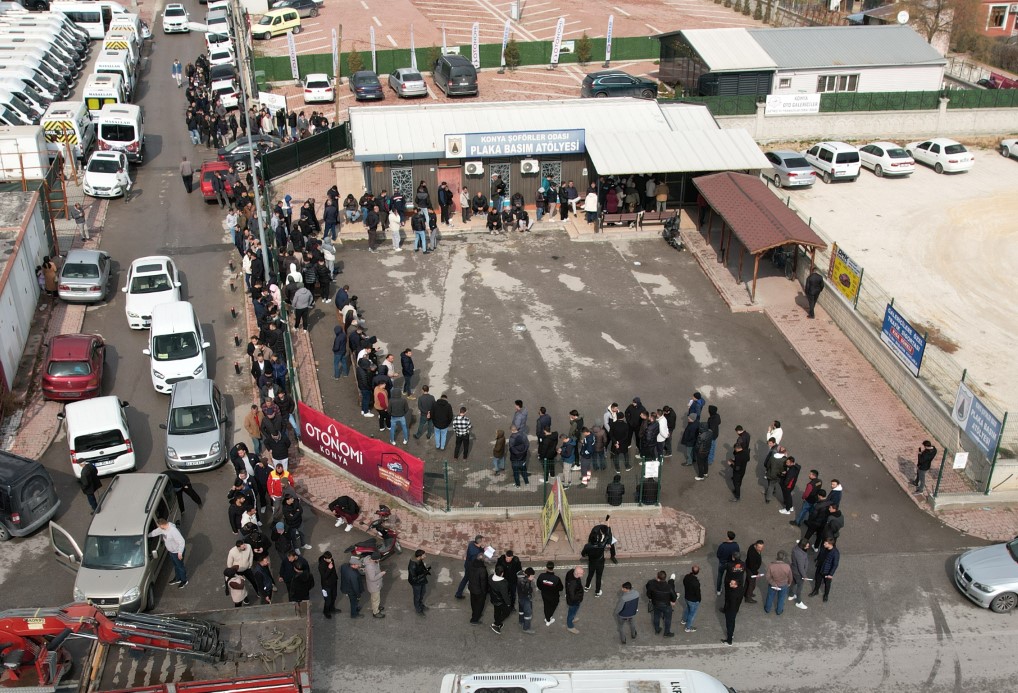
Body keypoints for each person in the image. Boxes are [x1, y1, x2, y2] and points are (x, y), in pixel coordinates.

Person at [148, 518, 188, 588]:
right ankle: (178, 578)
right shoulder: (162, 529)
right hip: (172, 552)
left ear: (162, 525)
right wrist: (146, 536)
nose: (158, 527)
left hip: (177, 552)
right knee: (176, 565)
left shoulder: (173, 531)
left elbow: (181, 541)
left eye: (159, 526)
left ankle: (184, 581)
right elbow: (155, 532)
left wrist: (180, 553)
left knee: (180, 566)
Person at [582, 522, 616, 596]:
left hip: (592, 562)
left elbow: (583, 554)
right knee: (598, 577)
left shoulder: (587, 546)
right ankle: (597, 592)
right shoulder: (601, 545)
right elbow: (606, 540)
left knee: (590, 575)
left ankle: (587, 587)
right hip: (600, 562)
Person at [645, 570, 677, 637]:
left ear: (657, 577)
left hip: (656, 604)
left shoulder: (652, 585)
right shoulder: (669, 587)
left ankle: (657, 630)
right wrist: (672, 601)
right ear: (665, 577)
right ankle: (666, 633)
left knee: (656, 616)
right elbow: (674, 597)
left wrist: (652, 598)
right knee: (667, 619)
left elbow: (648, 594)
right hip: (666, 606)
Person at [454, 535, 486, 599]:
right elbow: (479, 559)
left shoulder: (471, 543)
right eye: (483, 540)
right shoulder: (476, 553)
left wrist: (483, 549)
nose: (484, 541)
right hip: (471, 567)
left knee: (466, 578)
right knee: (466, 579)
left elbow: (478, 548)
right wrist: (483, 553)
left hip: (467, 564)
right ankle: (458, 593)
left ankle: (459, 593)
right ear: (479, 542)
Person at [763, 551, 794, 615]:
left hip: (773, 585)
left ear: (777, 556)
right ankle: (779, 611)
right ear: (784, 557)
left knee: (770, 596)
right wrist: (789, 582)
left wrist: (774, 584)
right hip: (783, 585)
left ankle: (767, 609)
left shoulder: (771, 566)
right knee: (781, 598)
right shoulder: (787, 566)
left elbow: (768, 577)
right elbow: (790, 576)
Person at [721, 569, 745, 646]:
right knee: (733, 622)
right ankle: (731, 634)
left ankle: (729, 640)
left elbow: (731, 603)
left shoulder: (732, 594)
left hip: (730, 610)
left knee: (729, 624)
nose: (730, 584)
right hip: (735, 609)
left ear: (736, 585)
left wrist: (726, 609)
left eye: (732, 584)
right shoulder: (740, 590)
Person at [537, 561, 563, 626]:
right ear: (553, 568)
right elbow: (561, 588)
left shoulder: (541, 576)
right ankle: (548, 619)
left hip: (544, 595)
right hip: (554, 596)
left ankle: (547, 618)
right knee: (552, 607)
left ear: (546, 567)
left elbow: (539, 585)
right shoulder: (556, 579)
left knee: (546, 606)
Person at [467, 553, 489, 625]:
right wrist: (484, 591)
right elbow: (483, 582)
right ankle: (474, 619)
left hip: (472, 587)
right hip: (479, 590)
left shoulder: (471, 564)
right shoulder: (482, 569)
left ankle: (475, 614)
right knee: (479, 605)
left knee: (473, 603)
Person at [489, 564, 511, 634]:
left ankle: (498, 623)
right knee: (506, 612)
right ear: (502, 573)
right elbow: (505, 595)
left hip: (494, 598)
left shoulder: (490, 577)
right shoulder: (503, 583)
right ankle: (496, 623)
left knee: (497, 610)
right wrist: (508, 603)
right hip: (501, 601)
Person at [789, 539, 811, 610]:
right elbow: (800, 567)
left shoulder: (796, 548)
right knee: (799, 588)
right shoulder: (800, 555)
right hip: (799, 574)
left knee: (793, 583)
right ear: (802, 546)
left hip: (793, 570)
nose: (808, 547)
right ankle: (799, 602)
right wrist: (804, 576)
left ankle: (791, 595)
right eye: (807, 546)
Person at [408, 549, 431, 616]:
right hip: (416, 583)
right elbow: (414, 578)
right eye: (424, 555)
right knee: (417, 596)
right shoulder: (413, 565)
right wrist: (423, 574)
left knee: (423, 592)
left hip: (421, 580)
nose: (425, 556)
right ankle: (418, 609)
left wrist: (425, 570)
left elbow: (422, 565)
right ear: (419, 556)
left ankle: (420, 604)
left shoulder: (419, 560)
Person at [365, 551, 386, 618]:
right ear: (374, 559)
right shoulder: (370, 567)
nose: (379, 560)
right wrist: (381, 574)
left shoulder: (373, 561)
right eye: (378, 559)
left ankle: (376, 607)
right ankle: (375, 612)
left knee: (375, 598)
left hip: (376, 584)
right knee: (376, 599)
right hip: (374, 586)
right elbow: (372, 578)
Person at [319, 552, 340, 618]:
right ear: (325, 559)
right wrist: (329, 569)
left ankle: (332, 608)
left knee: (334, 596)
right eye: (329, 559)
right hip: (326, 585)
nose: (330, 560)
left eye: (331, 558)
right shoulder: (321, 566)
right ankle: (326, 611)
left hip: (333, 582)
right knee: (328, 600)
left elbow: (333, 571)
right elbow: (324, 576)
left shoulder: (331, 560)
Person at [564, 566, 585, 634]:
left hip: (571, 599)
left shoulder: (571, 572)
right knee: (571, 613)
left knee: (572, 612)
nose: (583, 574)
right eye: (581, 573)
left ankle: (572, 619)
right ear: (576, 573)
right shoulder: (573, 583)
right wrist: (579, 598)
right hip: (573, 602)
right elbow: (573, 597)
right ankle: (570, 626)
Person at [681, 566, 701, 633]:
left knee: (687, 609)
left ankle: (684, 620)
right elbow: (698, 593)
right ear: (697, 572)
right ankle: (688, 627)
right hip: (693, 600)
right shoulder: (696, 582)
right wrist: (699, 599)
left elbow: (684, 582)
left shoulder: (686, 577)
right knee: (692, 614)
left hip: (687, 597)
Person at [517, 567, 537, 634]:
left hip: (520, 597)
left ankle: (521, 621)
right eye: (533, 576)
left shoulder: (520, 577)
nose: (533, 577)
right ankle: (526, 628)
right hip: (526, 599)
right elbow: (528, 591)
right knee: (528, 613)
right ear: (530, 576)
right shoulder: (526, 583)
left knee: (521, 610)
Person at [744, 539, 765, 604]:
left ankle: (745, 592)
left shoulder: (753, 547)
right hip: (751, 570)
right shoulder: (752, 553)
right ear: (755, 546)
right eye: (759, 547)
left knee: (748, 581)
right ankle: (748, 597)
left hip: (750, 568)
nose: (760, 549)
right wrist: (756, 573)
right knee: (752, 584)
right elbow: (752, 565)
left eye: (762, 547)